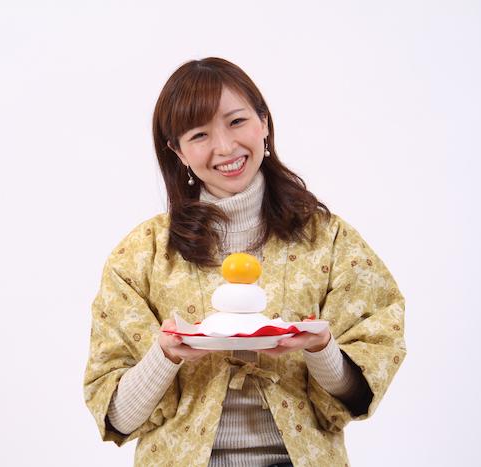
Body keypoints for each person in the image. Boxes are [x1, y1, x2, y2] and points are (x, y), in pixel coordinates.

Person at [83, 57, 406, 467]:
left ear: (264, 121)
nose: (225, 147)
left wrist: (322, 348)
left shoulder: (328, 240)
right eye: (199, 134)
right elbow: (117, 417)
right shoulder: (143, 253)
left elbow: (362, 390)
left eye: (236, 122)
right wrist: (166, 354)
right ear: (177, 151)